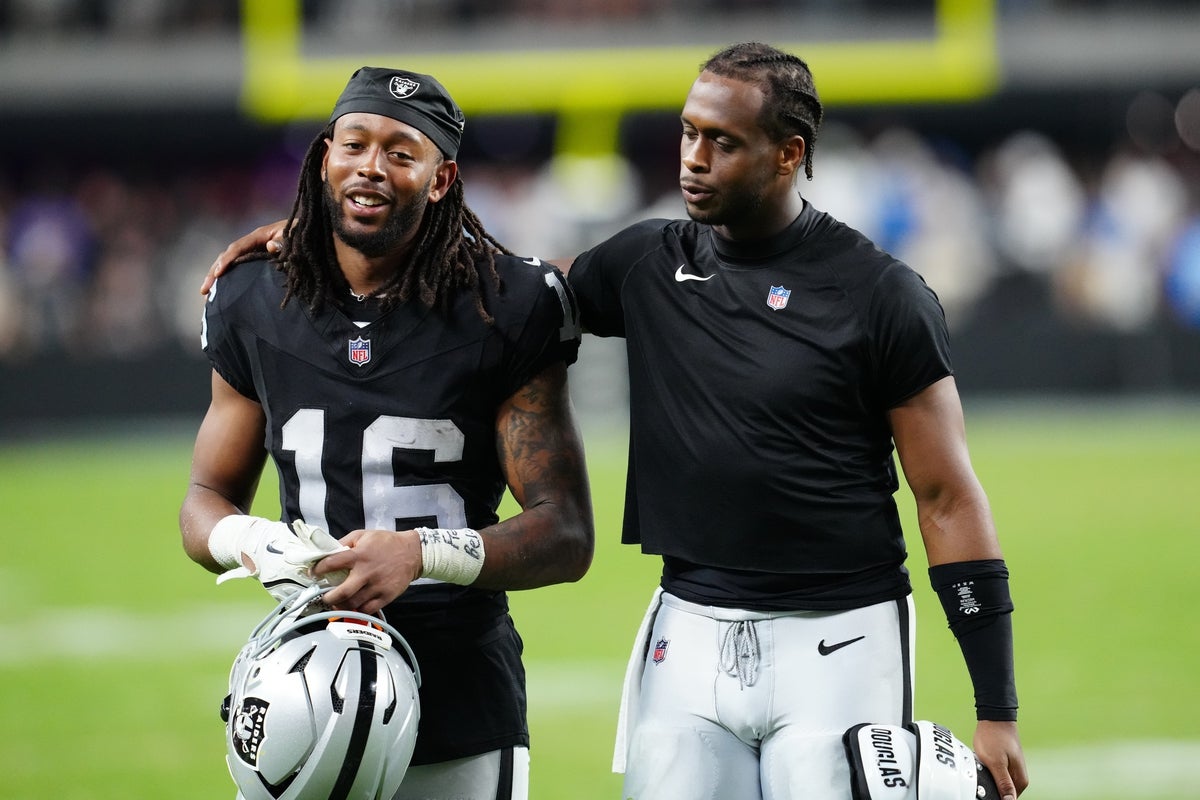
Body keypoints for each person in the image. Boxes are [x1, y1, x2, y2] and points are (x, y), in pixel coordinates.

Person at [204, 43, 1028, 800]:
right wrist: (334, 231)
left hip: (841, 633)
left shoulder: (880, 294)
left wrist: (996, 706)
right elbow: (505, 289)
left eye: (723, 141)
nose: (694, 158)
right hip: (690, 627)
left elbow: (948, 499)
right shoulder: (650, 261)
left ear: (790, 154)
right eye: (688, 133)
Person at [180, 65, 594, 800]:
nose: (370, 166)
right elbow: (204, 501)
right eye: (354, 145)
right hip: (301, 677)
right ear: (323, 158)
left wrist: (421, 554)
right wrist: (257, 543)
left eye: (401, 153)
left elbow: (565, 534)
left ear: (440, 180)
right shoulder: (250, 296)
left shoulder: (510, 305)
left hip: (460, 690)